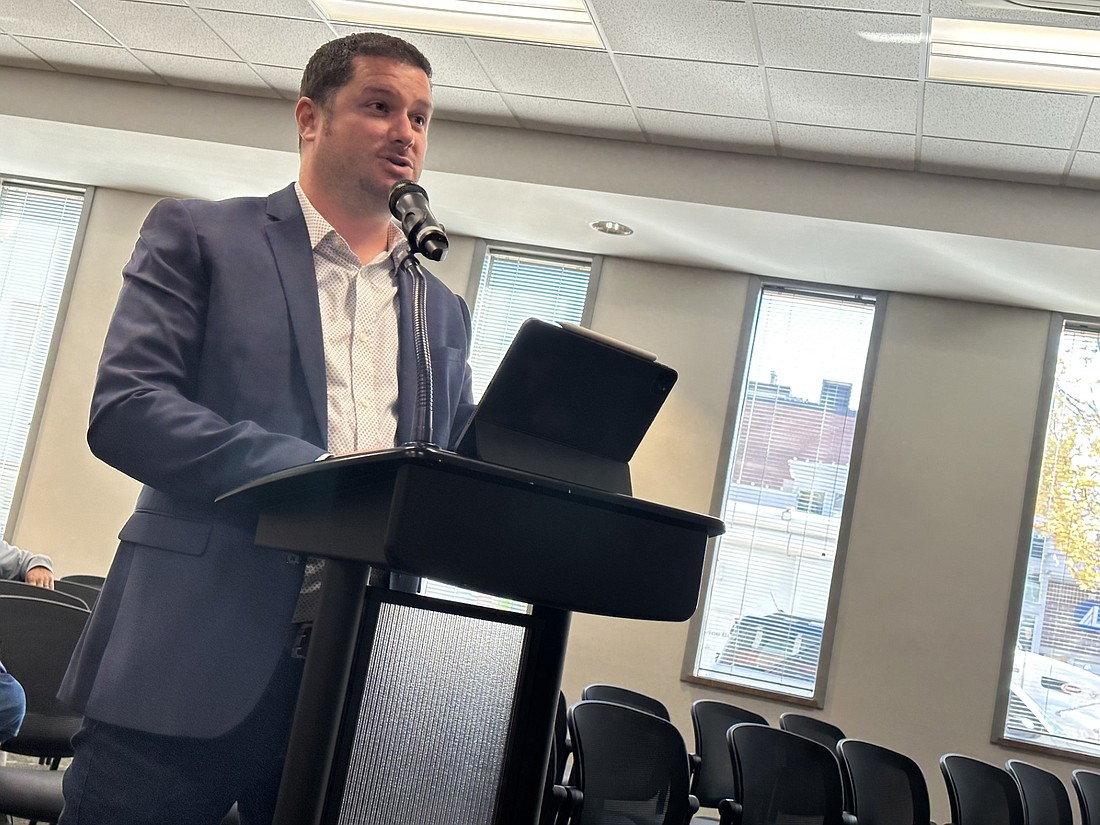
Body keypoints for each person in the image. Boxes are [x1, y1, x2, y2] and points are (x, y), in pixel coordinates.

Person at [57, 32, 475, 825]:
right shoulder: (200, 236)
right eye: (380, 106)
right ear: (309, 117)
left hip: (353, 678)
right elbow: (128, 407)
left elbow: (444, 470)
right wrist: (318, 472)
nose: (405, 133)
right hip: (185, 660)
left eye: (420, 117)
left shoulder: (438, 309)